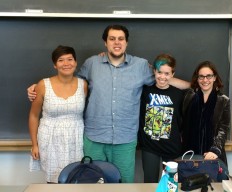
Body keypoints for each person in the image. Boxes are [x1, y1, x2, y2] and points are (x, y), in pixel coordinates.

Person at [27, 24, 190, 183]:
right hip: (94, 139)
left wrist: (195, 86)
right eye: (112, 39)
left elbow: (164, 78)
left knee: (125, 184)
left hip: (125, 140)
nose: (117, 42)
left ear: (126, 42)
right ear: (105, 42)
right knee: (93, 183)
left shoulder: (140, 66)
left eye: (121, 39)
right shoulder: (92, 64)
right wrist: (40, 86)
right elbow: (70, 81)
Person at [28, 45, 88, 183]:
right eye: (61, 60)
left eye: (70, 59)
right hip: (50, 140)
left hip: (76, 139)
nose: (66, 64)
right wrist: (34, 144)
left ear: (76, 62)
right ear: (55, 65)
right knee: (53, 181)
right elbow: (34, 116)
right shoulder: (43, 85)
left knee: (76, 179)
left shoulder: (83, 85)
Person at [138, 53, 183, 183]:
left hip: (171, 147)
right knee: (150, 183)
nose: (162, 77)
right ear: (154, 71)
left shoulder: (179, 94)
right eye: (159, 72)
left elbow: (182, 120)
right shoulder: (144, 91)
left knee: (170, 185)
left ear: (173, 74)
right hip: (149, 146)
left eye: (167, 73)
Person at [181, 61, 230, 169]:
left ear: (214, 78)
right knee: (189, 184)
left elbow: (224, 128)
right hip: (190, 155)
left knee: (213, 185)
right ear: (197, 78)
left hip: (212, 156)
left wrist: (215, 150)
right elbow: (182, 123)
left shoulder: (223, 101)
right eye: (201, 77)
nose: (205, 80)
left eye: (209, 76)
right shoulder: (188, 96)